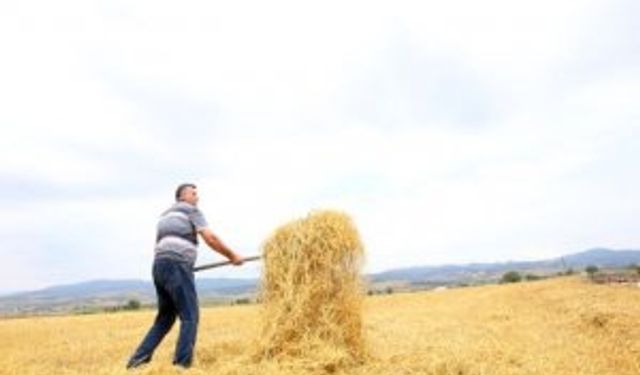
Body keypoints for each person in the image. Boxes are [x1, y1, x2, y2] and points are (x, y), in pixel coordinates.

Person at [127, 183, 244, 369]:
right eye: (193, 193)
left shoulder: (164, 217)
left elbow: (163, 246)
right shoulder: (191, 211)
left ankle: (136, 362)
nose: (197, 198)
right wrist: (233, 256)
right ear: (182, 197)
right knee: (190, 316)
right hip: (177, 266)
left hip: (159, 266)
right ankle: (181, 366)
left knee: (165, 319)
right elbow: (210, 238)